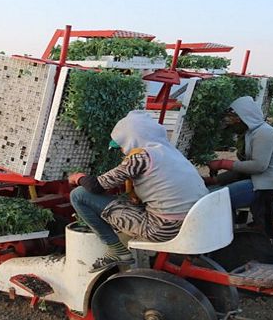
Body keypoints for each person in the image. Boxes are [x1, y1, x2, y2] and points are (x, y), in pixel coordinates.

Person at [68, 110, 209, 273]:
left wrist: (78, 177)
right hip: (194, 221)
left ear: (132, 139)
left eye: (122, 145)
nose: (122, 150)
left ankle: (117, 250)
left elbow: (95, 186)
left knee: (78, 195)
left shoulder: (141, 157)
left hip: (163, 228)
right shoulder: (169, 151)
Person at [204, 96, 273, 236]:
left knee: (214, 198)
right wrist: (216, 180)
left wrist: (223, 163)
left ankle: (223, 236)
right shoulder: (252, 133)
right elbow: (243, 169)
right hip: (261, 182)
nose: (232, 124)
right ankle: (225, 234)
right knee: (214, 192)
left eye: (234, 119)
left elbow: (258, 166)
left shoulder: (264, 133)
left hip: (266, 186)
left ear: (244, 117)